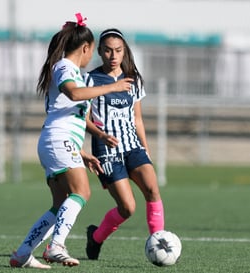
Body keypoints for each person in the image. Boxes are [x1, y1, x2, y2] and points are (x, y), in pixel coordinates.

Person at [9, 16, 133, 269]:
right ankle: (56, 246)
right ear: (86, 47)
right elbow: (74, 94)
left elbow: (70, 114)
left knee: (60, 204)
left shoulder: (73, 71)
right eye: (92, 51)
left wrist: (84, 153)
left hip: (59, 141)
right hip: (58, 140)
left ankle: (22, 253)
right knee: (82, 192)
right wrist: (112, 88)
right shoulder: (65, 67)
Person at [84, 28, 165, 260]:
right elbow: (83, 120)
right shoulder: (89, 79)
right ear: (100, 51)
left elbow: (137, 118)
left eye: (118, 50)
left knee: (152, 189)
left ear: (124, 51)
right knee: (128, 208)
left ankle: (159, 244)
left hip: (133, 146)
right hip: (106, 151)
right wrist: (99, 135)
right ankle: (96, 237)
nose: (113, 55)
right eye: (108, 50)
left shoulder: (133, 80)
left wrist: (145, 146)